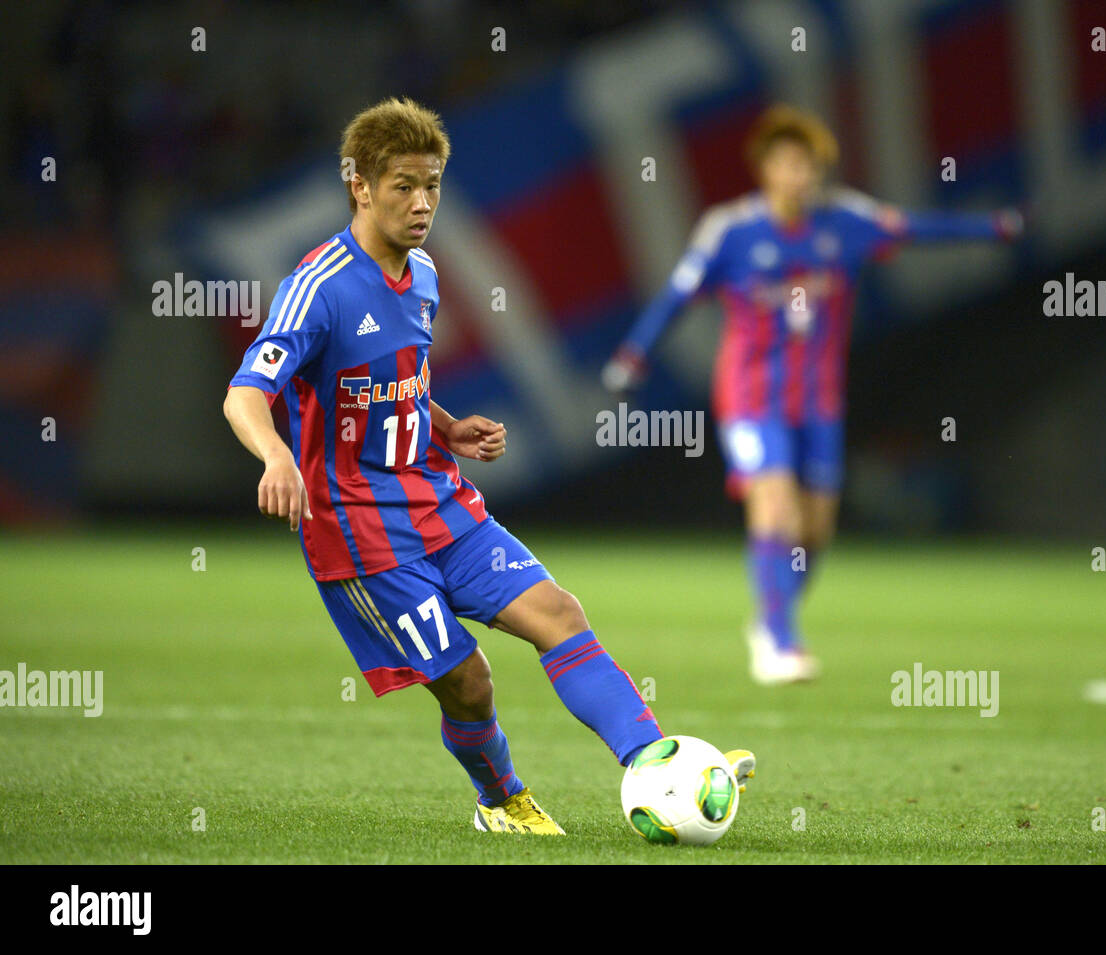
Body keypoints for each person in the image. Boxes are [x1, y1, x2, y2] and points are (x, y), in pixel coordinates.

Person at [223, 97, 753, 834]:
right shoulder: (318, 287)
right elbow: (246, 392)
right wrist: (276, 454)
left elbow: (392, 379)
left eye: (432, 184)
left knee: (560, 614)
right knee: (469, 683)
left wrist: (444, 425)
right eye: (404, 185)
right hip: (363, 534)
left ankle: (654, 763)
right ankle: (501, 798)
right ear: (361, 186)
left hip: (439, 501)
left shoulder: (427, 276)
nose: (422, 202)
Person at [603, 104, 1022, 685]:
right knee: (773, 505)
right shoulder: (731, 230)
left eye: (808, 165)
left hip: (820, 401)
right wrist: (633, 355)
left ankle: (771, 617)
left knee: (816, 529)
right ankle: (779, 641)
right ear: (765, 169)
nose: (799, 175)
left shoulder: (846, 221)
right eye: (787, 163)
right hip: (752, 397)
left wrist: (993, 228)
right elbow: (677, 294)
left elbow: (916, 228)